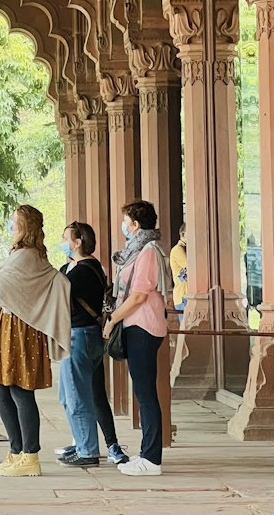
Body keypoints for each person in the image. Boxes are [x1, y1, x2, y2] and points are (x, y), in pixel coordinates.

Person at [0, 204, 71, 479]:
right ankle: (17, 451)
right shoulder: (24, 254)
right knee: (1, 388)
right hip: (10, 328)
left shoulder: (26, 255)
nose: (11, 227)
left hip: (20, 331)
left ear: (25, 227)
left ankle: (30, 455)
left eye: (15, 222)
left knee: (20, 389)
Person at [103, 199, 173, 477]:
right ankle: (146, 452)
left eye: (126, 220)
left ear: (135, 224)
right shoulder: (139, 250)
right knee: (143, 393)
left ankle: (152, 459)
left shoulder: (147, 252)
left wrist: (113, 319)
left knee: (146, 394)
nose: (124, 225)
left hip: (142, 325)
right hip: (138, 325)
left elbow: (139, 296)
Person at [55, 221, 129, 468]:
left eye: (66, 238)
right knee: (71, 394)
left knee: (78, 395)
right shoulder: (75, 268)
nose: (63, 242)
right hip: (83, 336)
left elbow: (58, 297)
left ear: (78, 243)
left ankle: (88, 451)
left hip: (79, 335)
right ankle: (82, 442)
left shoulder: (83, 271)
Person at [170, 224, 187, 313]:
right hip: (183, 296)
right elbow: (190, 266)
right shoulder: (178, 250)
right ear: (183, 234)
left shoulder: (186, 249)